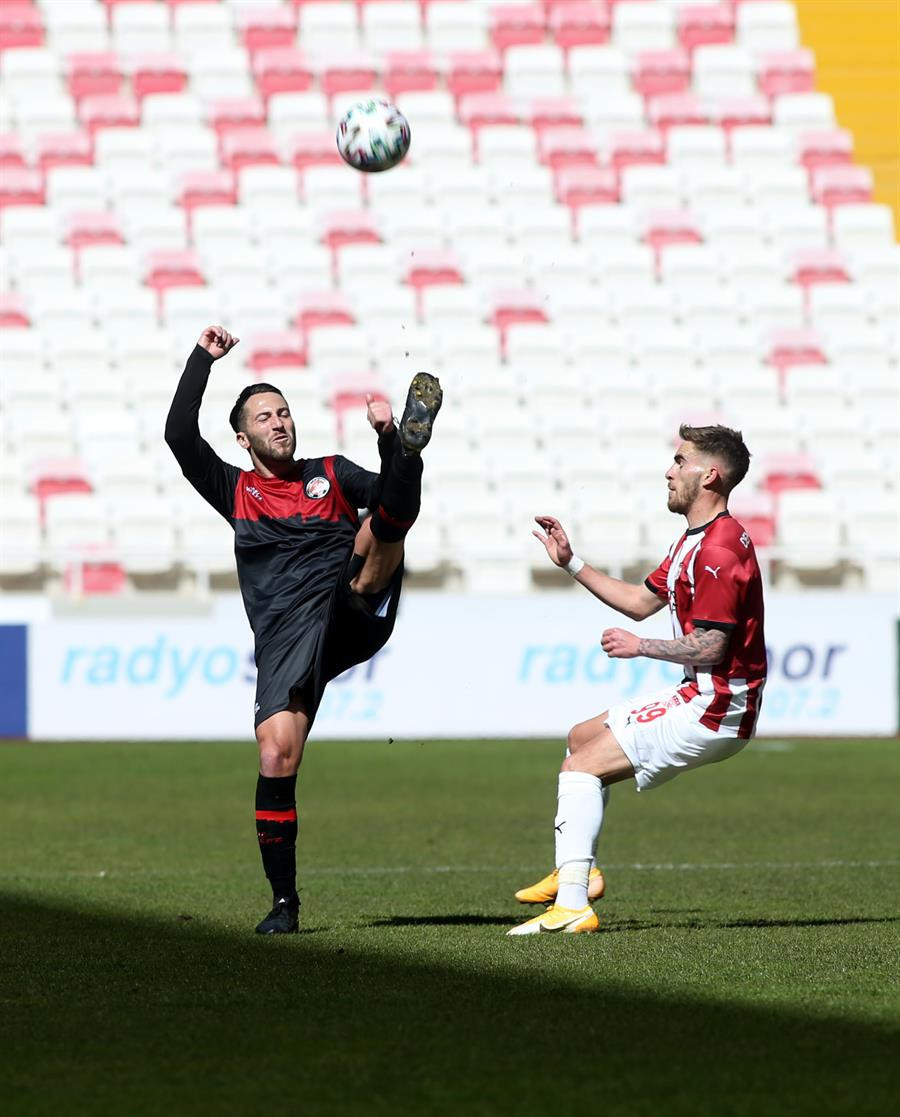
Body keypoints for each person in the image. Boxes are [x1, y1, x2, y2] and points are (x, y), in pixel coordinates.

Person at [165, 325, 442, 934]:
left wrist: (394, 444)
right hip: (286, 637)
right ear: (243, 438)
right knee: (275, 756)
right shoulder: (235, 490)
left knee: (386, 523)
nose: (280, 423)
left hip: (347, 606)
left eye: (285, 412)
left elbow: (402, 506)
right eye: (265, 417)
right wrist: (201, 360)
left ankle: (412, 444)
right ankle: (285, 904)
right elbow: (179, 437)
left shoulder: (332, 473)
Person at [509, 423, 766, 935]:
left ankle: (574, 904)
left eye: (680, 461)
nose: (669, 471)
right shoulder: (693, 540)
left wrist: (640, 646)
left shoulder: (717, 551)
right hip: (699, 693)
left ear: (710, 475)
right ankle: (578, 869)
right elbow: (640, 602)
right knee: (581, 738)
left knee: (580, 769)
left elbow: (713, 646)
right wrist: (571, 562)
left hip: (718, 706)